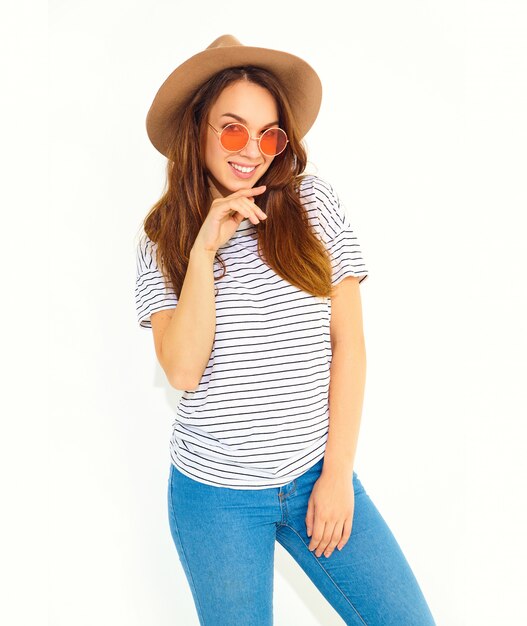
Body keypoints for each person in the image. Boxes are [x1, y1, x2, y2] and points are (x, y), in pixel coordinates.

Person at [135, 34, 436, 626]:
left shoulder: (310, 203)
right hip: (214, 498)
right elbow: (182, 370)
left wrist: (337, 475)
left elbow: (349, 343)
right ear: (197, 131)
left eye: (269, 134)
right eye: (231, 128)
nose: (251, 150)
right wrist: (202, 254)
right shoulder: (161, 239)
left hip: (312, 474)